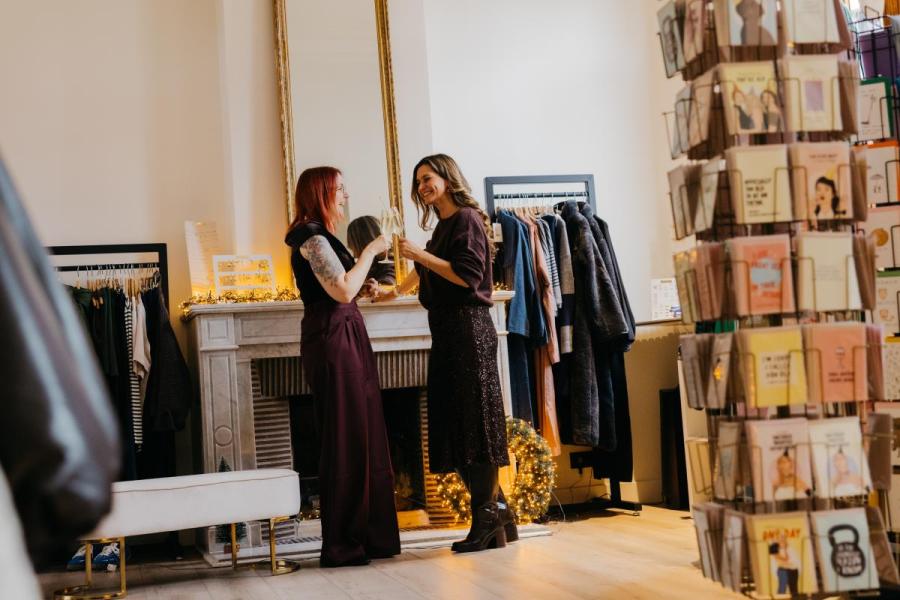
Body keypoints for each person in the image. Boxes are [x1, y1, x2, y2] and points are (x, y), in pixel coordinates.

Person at [386, 153, 515, 553]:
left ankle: (488, 516)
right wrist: (390, 291)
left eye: (429, 178)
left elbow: (467, 275)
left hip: (469, 331)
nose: (423, 185)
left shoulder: (468, 219)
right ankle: (499, 513)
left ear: (447, 177)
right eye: (419, 181)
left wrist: (419, 255)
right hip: (448, 333)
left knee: (472, 425)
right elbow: (425, 271)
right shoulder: (444, 225)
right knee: (453, 425)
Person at [284, 166, 400, 568]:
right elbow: (341, 289)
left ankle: (372, 537)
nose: (345, 195)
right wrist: (370, 251)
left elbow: (348, 289)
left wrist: (367, 284)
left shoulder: (325, 236)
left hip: (348, 330)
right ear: (321, 193)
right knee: (346, 436)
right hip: (332, 336)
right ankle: (344, 545)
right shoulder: (310, 237)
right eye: (339, 188)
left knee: (365, 431)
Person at [347, 215, 396, 286]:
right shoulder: (370, 264)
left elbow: (389, 282)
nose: (354, 255)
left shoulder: (389, 260)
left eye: (353, 247)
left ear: (361, 243)